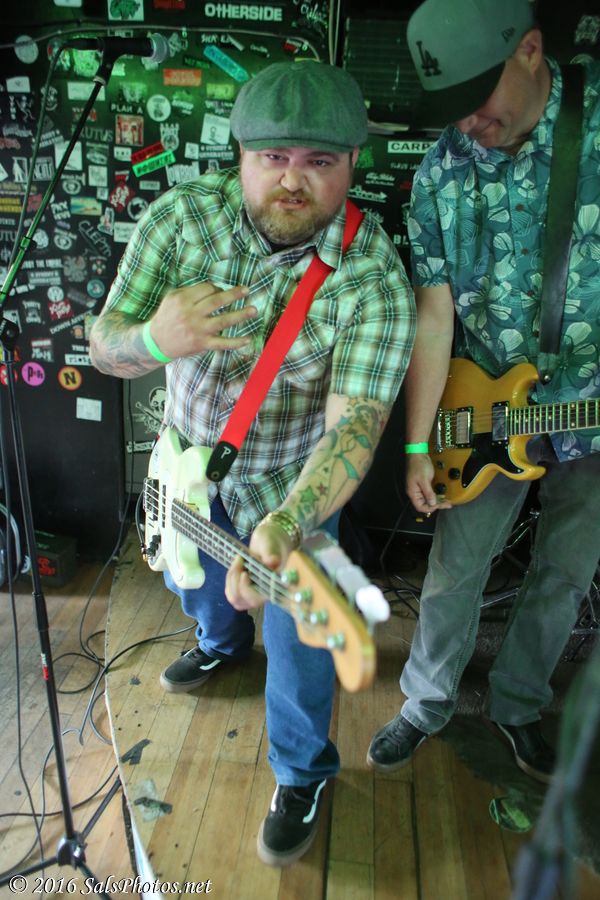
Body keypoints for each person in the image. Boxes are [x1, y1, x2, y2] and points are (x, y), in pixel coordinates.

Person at [89, 61, 416, 866]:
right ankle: (220, 642)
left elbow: (356, 428)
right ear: (239, 154)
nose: (293, 181)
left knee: (303, 642)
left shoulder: (373, 278)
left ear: (353, 163)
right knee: (194, 583)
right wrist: (153, 339)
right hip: (183, 465)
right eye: (273, 158)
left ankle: (302, 774)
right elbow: (104, 347)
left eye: (319, 161)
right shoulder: (180, 221)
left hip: (293, 487)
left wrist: (288, 524)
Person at [367, 0, 600, 785]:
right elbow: (434, 317)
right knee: (456, 566)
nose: (467, 122)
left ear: (530, 50)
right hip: (484, 407)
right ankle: (426, 701)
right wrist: (416, 442)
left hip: (590, 410)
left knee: (566, 570)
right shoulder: (441, 170)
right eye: (452, 106)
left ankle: (519, 704)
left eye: (479, 97)